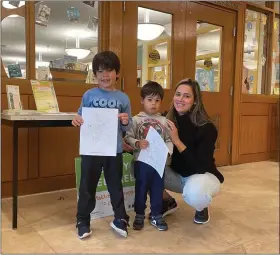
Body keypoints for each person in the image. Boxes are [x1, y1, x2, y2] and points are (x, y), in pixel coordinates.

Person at [72, 51, 132, 239]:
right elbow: (80, 116)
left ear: (117, 73)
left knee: (116, 186)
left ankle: (120, 218)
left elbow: (128, 126)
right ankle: (82, 220)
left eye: (109, 70)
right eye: (100, 71)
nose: (105, 75)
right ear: (95, 75)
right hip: (91, 149)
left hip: (114, 150)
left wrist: (124, 121)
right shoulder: (89, 95)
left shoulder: (123, 98)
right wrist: (76, 119)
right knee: (87, 186)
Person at [162, 78, 224, 224]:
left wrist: (177, 141)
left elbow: (200, 167)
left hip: (202, 175)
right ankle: (167, 201)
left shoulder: (207, 127)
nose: (180, 99)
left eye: (187, 96)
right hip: (178, 174)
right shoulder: (168, 120)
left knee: (195, 194)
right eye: (178, 94)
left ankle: (201, 206)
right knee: (139, 167)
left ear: (195, 101)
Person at [125, 81, 173, 231]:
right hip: (141, 162)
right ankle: (139, 214)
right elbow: (128, 137)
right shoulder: (136, 120)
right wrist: (138, 143)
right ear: (142, 100)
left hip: (158, 164)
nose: (154, 104)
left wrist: (167, 151)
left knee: (157, 190)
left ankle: (156, 216)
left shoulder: (164, 121)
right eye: (150, 100)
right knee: (140, 189)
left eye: (157, 100)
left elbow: (169, 140)